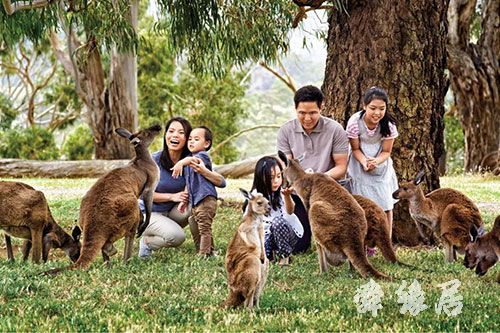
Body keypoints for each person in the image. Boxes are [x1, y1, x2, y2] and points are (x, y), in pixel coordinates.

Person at [138, 117, 226, 259]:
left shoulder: (193, 160)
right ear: (166, 135)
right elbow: (141, 194)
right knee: (177, 237)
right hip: (148, 213)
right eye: (171, 131)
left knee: (197, 204)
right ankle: (148, 242)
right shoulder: (153, 160)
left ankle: (204, 251)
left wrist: (204, 171)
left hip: (173, 212)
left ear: (187, 139)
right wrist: (171, 197)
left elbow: (221, 182)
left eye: (181, 132)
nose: (175, 135)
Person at [276, 85, 349, 252]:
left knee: (333, 245)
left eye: (312, 113)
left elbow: (341, 167)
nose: (307, 118)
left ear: (321, 108)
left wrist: (316, 178)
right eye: (302, 113)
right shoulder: (286, 131)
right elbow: (286, 168)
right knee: (298, 247)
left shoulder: (335, 130)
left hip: (327, 194)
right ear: (295, 109)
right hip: (298, 195)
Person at [346, 86, 399, 240]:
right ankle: (365, 242)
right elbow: (355, 149)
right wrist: (364, 162)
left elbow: (386, 152)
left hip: (380, 163)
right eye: (373, 108)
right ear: (364, 106)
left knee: (386, 204)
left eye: (382, 108)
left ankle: (386, 242)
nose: (377, 113)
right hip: (359, 162)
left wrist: (376, 161)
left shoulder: (389, 125)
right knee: (362, 205)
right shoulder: (355, 122)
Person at [171, 126, 225, 257]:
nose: (191, 142)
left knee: (204, 228)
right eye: (190, 139)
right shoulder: (190, 159)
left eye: (196, 139)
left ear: (206, 143)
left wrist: (181, 163)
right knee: (201, 226)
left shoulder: (202, 157)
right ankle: (210, 251)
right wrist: (185, 201)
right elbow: (189, 183)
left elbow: (192, 161)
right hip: (197, 201)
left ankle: (203, 253)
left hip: (206, 199)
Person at [249, 156, 303, 266]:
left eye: (278, 176)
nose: (276, 181)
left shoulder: (282, 191)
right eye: (271, 178)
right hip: (266, 235)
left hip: (287, 234)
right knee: (264, 256)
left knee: (278, 222)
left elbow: (290, 211)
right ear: (261, 178)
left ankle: (284, 257)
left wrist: (287, 196)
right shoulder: (255, 195)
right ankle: (272, 254)